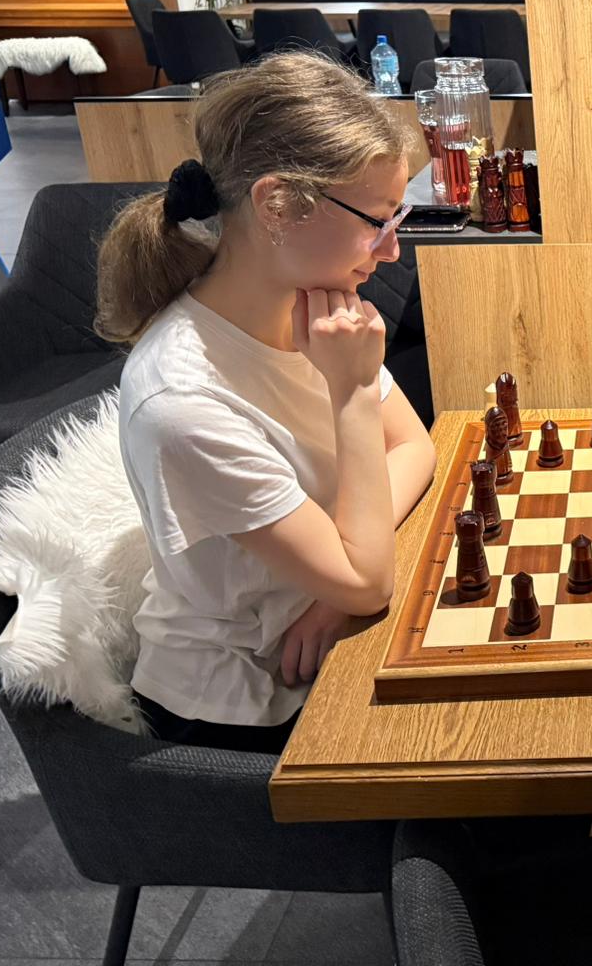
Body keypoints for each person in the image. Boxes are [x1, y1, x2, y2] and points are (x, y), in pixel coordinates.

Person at [95, 53, 438, 753]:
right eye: (376, 220)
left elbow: (414, 448)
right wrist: (351, 391)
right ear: (276, 204)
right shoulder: (182, 399)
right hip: (247, 699)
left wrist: (334, 593)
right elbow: (366, 579)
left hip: (329, 631)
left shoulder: (315, 308)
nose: (392, 250)